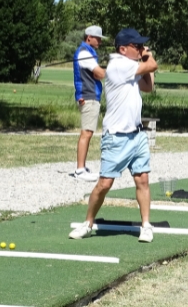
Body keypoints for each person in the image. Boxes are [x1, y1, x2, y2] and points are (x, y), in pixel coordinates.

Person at [69, 28, 158, 242]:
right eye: (136, 46)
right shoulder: (119, 65)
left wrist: (145, 61)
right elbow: (152, 64)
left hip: (136, 135)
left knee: (143, 180)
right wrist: (148, 56)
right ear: (123, 49)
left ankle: (146, 225)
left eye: (140, 46)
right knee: (105, 184)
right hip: (116, 137)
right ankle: (88, 222)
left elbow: (148, 86)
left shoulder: (131, 66)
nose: (139, 49)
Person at [72, 25, 107, 181]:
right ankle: (80, 170)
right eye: (97, 38)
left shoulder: (87, 52)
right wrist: (112, 69)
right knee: (86, 132)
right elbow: (99, 73)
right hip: (88, 96)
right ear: (89, 37)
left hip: (89, 95)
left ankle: (82, 166)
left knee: (88, 132)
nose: (99, 41)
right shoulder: (85, 53)